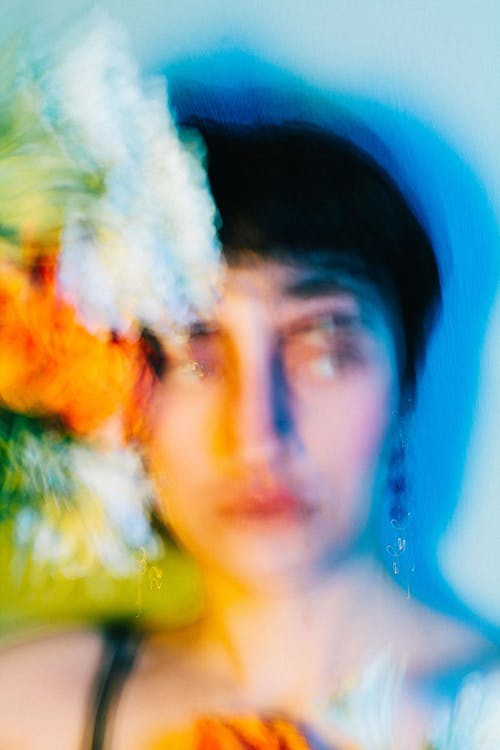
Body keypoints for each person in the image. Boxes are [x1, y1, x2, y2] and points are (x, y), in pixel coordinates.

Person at [0, 118, 491, 750]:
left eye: (325, 351)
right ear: (115, 389)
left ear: (408, 383)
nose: (259, 434)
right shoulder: (25, 712)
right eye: (195, 358)